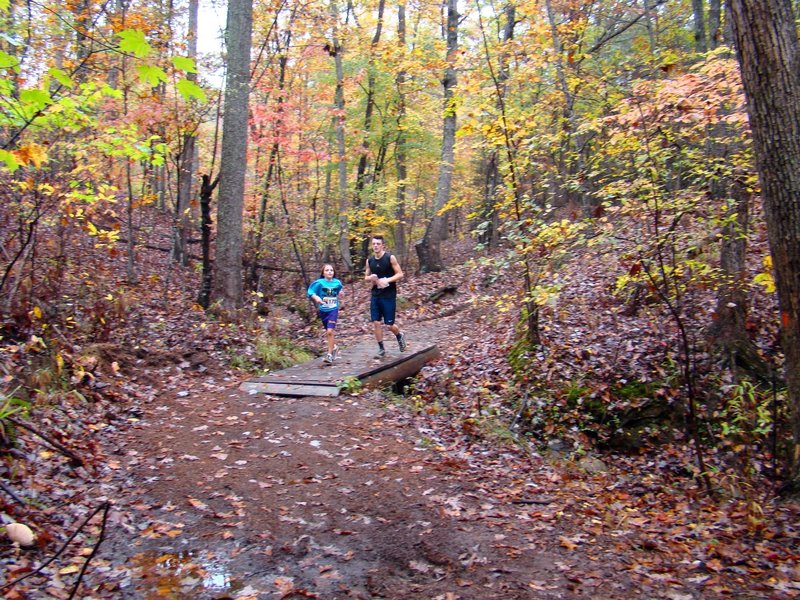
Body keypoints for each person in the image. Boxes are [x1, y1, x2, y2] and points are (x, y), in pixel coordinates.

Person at [364, 235, 407, 358]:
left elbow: (400, 274)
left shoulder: (390, 258)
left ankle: (399, 335)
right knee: (376, 322)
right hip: (375, 295)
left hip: (388, 295)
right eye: (374, 244)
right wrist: (370, 278)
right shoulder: (370, 261)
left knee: (389, 325)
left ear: (383, 245)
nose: (376, 246)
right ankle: (381, 349)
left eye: (378, 244)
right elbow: (365, 277)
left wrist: (387, 280)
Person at [307, 264, 344, 364]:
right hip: (323, 310)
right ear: (323, 273)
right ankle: (335, 347)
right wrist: (317, 298)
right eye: (327, 270)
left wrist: (341, 294)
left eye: (331, 270)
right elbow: (310, 292)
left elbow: (340, 290)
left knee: (329, 331)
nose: (329, 272)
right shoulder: (319, 283)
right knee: (329, 333)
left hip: (333, 309)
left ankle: (329, 355)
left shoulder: (337, 282)